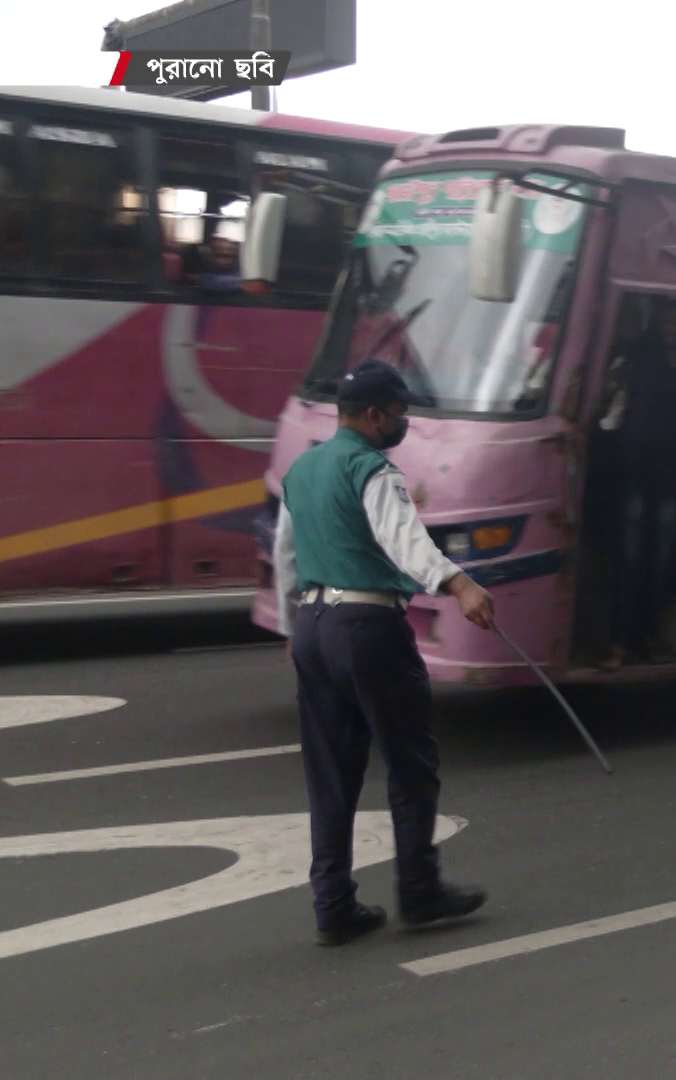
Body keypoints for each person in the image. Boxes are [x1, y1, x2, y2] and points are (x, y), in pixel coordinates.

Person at [272, 360, 494, 947]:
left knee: (329, 774)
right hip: (368, 626)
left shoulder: (302, 468)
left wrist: (294, 626)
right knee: (409, 762)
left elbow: (286, 555)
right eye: (399, 412)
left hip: (314, 626)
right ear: (373, 415)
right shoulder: (371, 468)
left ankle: (333, 905)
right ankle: (419, 890)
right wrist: (460, 585)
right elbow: (404, 540)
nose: (403, 422)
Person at [600, 298, 676, 667]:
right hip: (633, 472)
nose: (671, 329)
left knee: (659, 563)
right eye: (666, 321)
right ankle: (617, 644)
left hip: (672, 479)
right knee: (627, 559)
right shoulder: (641, 356)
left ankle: (647, 641)